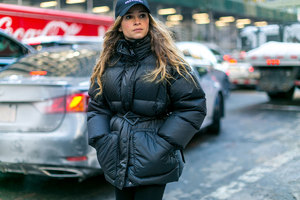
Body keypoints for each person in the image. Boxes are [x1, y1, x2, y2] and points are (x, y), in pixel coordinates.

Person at [87, 0, 207, 199]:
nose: (137, 21)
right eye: (129, 16)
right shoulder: (108, 61)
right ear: (119, 24)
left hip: (153, 160)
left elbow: (192, 106)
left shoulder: (169, 61)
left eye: (142, 15)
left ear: (149, 20)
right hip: (117, 156)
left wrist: (163, 145)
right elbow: (97, 107)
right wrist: (102, 140)